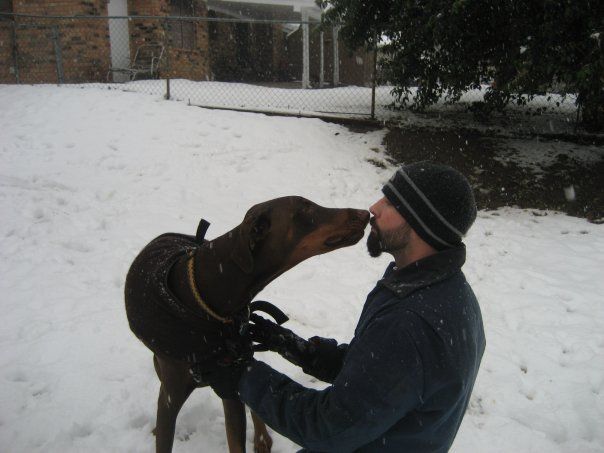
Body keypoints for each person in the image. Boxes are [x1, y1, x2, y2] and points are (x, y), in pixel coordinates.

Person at [208, 161, 486, 452]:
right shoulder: (444, 289)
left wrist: (241, 375)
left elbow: (327, 427)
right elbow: (375, 376)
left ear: (420, 224)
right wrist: (297, 348)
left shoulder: (411, 323)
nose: (373, 208)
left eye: (391, 202)